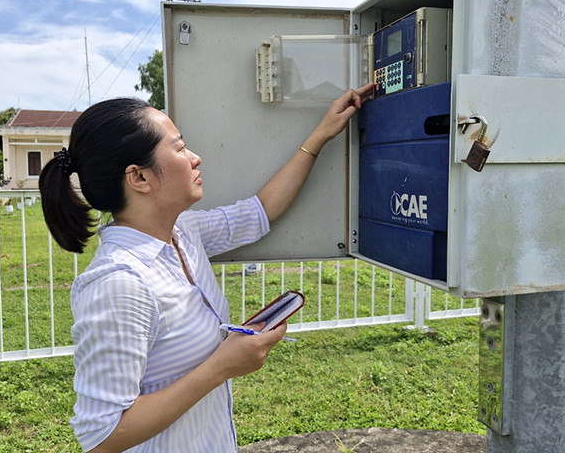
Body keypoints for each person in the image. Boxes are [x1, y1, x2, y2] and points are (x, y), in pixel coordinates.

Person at [38, 83, 374, 453]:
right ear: (139, 178)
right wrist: (222, 366)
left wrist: (323, 132)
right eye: (179, 147)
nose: (195, 157)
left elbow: (260, 211)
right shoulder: (120, 283)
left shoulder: (183, 233)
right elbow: (101, 435)